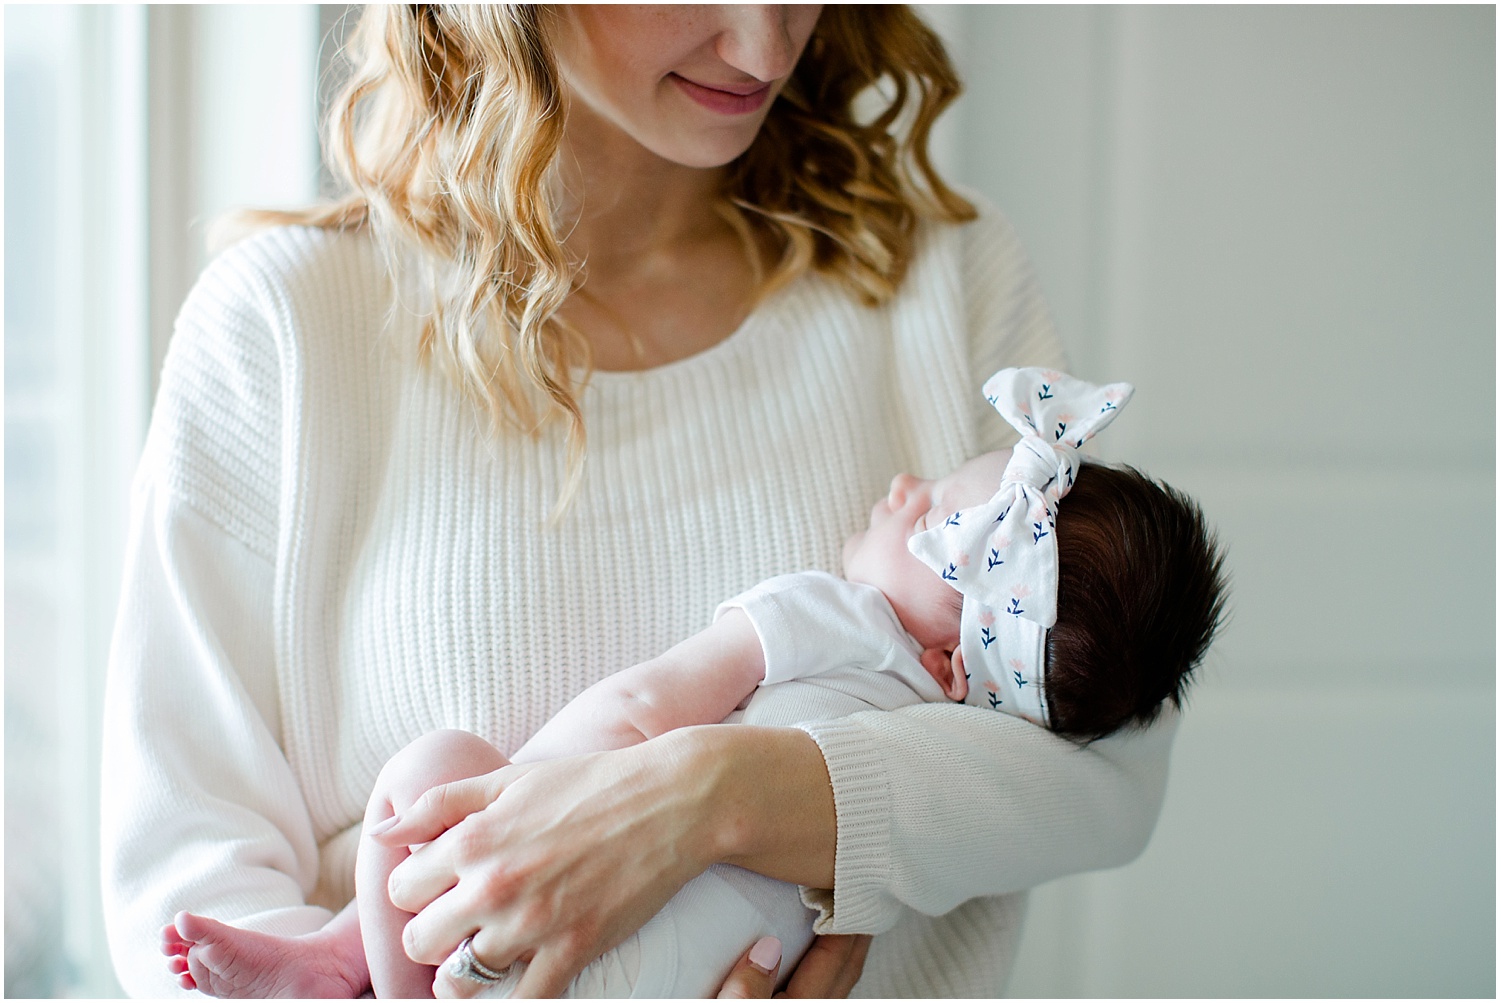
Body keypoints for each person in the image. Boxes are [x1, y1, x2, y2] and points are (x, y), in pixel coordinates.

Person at [102, 7, 1182, 999]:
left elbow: (1109, 770)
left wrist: (720, 796)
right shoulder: (284, 329)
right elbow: (187, 873)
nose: (766, 44)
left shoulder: (946, 281)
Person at [160, 367, 1227, 999]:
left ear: (957, 657)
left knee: (438, 771)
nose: (900, 489)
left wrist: (565, 790)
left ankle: (345, 958)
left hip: (500, 932)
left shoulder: (830, 614)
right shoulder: (947, 742)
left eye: (928, 515)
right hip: (684, 975)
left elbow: (641, 709)